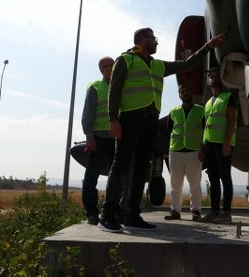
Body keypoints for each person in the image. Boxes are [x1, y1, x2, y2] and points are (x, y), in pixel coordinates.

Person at [98, 28, 225, 233]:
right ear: (141, 40)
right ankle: (108, 215)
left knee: (141, 169)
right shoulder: (125, 60)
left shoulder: (158, 65)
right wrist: (113, 119)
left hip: (150, 121)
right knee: (120, 165)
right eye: (153, 39)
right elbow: (115, 89)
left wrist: (208, 47)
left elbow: (187, 64)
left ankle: (132, 215)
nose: (156, 42)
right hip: (130, 118)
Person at [199, 67, 237, 224]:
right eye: (211, 77)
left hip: (223, 144)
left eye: (216, 77)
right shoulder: (208, 103)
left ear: (221, 80)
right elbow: (206, 127)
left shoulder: (228, 97)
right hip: (209, 145)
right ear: (208, 82)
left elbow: (231, 121)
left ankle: (226, 213)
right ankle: (214, 212)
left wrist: (227, 142)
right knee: (213, 179)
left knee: (225, 178)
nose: (213, 79)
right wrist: (202, 147)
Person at [81, 56, 115, 225]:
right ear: (103, 69)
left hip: (117, 139)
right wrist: (89, 137)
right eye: (111, 65)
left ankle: (112, 212)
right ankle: (92, 213)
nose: (114, 67)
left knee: (117, 178)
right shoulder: (95, 87)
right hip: (99, 139)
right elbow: (87, 115)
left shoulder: (122, 86)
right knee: (90, 178)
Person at [164, 84, 205, 222]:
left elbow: (206, 131)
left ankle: (196, 211)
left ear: (191, 93)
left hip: (194, 152)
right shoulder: (173, 112)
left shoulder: (201, 111)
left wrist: (202, 148)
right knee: (175, 184)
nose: (185, 93)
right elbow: (169, 131)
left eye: (187, 91)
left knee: (195, 184)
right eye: (182, 92)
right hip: (176, 151)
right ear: (179, 95)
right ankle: (175, 211)